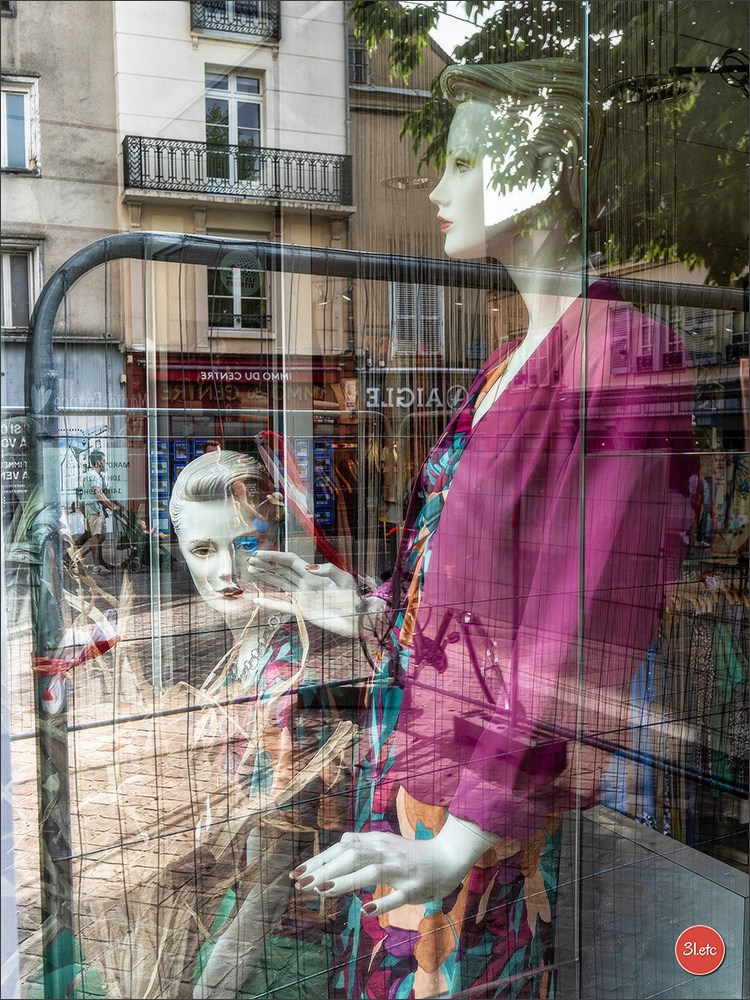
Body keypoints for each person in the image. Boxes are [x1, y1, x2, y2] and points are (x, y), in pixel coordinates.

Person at [247, 58, 692, 999]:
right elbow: (465, 585)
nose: (438, 187)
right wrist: (360, 609)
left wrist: (459, 840)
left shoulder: (624, 356)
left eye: (461, 161)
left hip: (485, 801)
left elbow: (582, 625)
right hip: (421, 757)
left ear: (545, 169)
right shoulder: (504, 362)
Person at [169, 450, 357, 999]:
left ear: (273, 537)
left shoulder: (295, 663)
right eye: (203, 550)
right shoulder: (239, 642)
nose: (225, 571)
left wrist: (211, 985)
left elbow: (279, 863)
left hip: (293, 914)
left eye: (245, 544)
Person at [75, 449, 118, 574]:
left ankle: (91, 559)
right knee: (96, 536)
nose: (104, 462)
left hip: (93, 509)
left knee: (101, 536)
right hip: (94, 509)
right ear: (98, 462)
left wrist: (111, 505)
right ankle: (96, 566)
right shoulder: (93, 476)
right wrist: (111, 506)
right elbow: (98, 494)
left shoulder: (92, 475)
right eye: (103, 460)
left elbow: (101, 494)